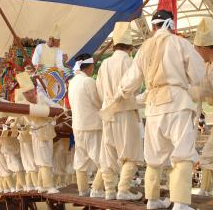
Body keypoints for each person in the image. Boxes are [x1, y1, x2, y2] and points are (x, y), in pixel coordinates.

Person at [111, 10, 205, 210]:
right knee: (182, 153)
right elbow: (197, 75)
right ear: (171, 25)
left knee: (153, 157)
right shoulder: (180, 43)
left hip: (153, 108)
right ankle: (180, 203)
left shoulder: (144, 48)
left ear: (153, 27)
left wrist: (121, 93)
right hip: (176, 103)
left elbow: (131, 79)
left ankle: (152, 200)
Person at [96, 22, 144, 200]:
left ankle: (109, 191)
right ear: (130, 46)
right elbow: (136, 89)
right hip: (125, 110)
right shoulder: (130, 62)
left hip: (108, 112)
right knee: (130, 152)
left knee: (108, 153)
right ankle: (123, 190)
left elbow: (100, 90)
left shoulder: (104, 64)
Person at [189, 17, 213, 197]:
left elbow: (211, 87)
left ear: (202, 48)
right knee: (210, 155)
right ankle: (206, 192)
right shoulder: (209, 63)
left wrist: (189, 90)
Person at [16, 72, 60, 194]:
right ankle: (49, 186)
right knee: (43, 160)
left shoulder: (42, 97)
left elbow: (55, 106)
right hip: (36, 134)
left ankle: (41, 185)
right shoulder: (22, 105)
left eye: (30, 91)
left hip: (48, 131)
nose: (29, 95)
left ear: (34, 90)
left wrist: (63, 111)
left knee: (45, 159)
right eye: (25, 93)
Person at [68, 53, 104, 198]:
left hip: (77, 125)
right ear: (88, 67)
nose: (93, 68)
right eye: (93, 66)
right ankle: (96, 188)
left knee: (81, 158)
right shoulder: (88, 81)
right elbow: (98, 102)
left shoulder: (72, 82)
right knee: (102, 159)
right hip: (91, 125)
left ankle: (83, 189)